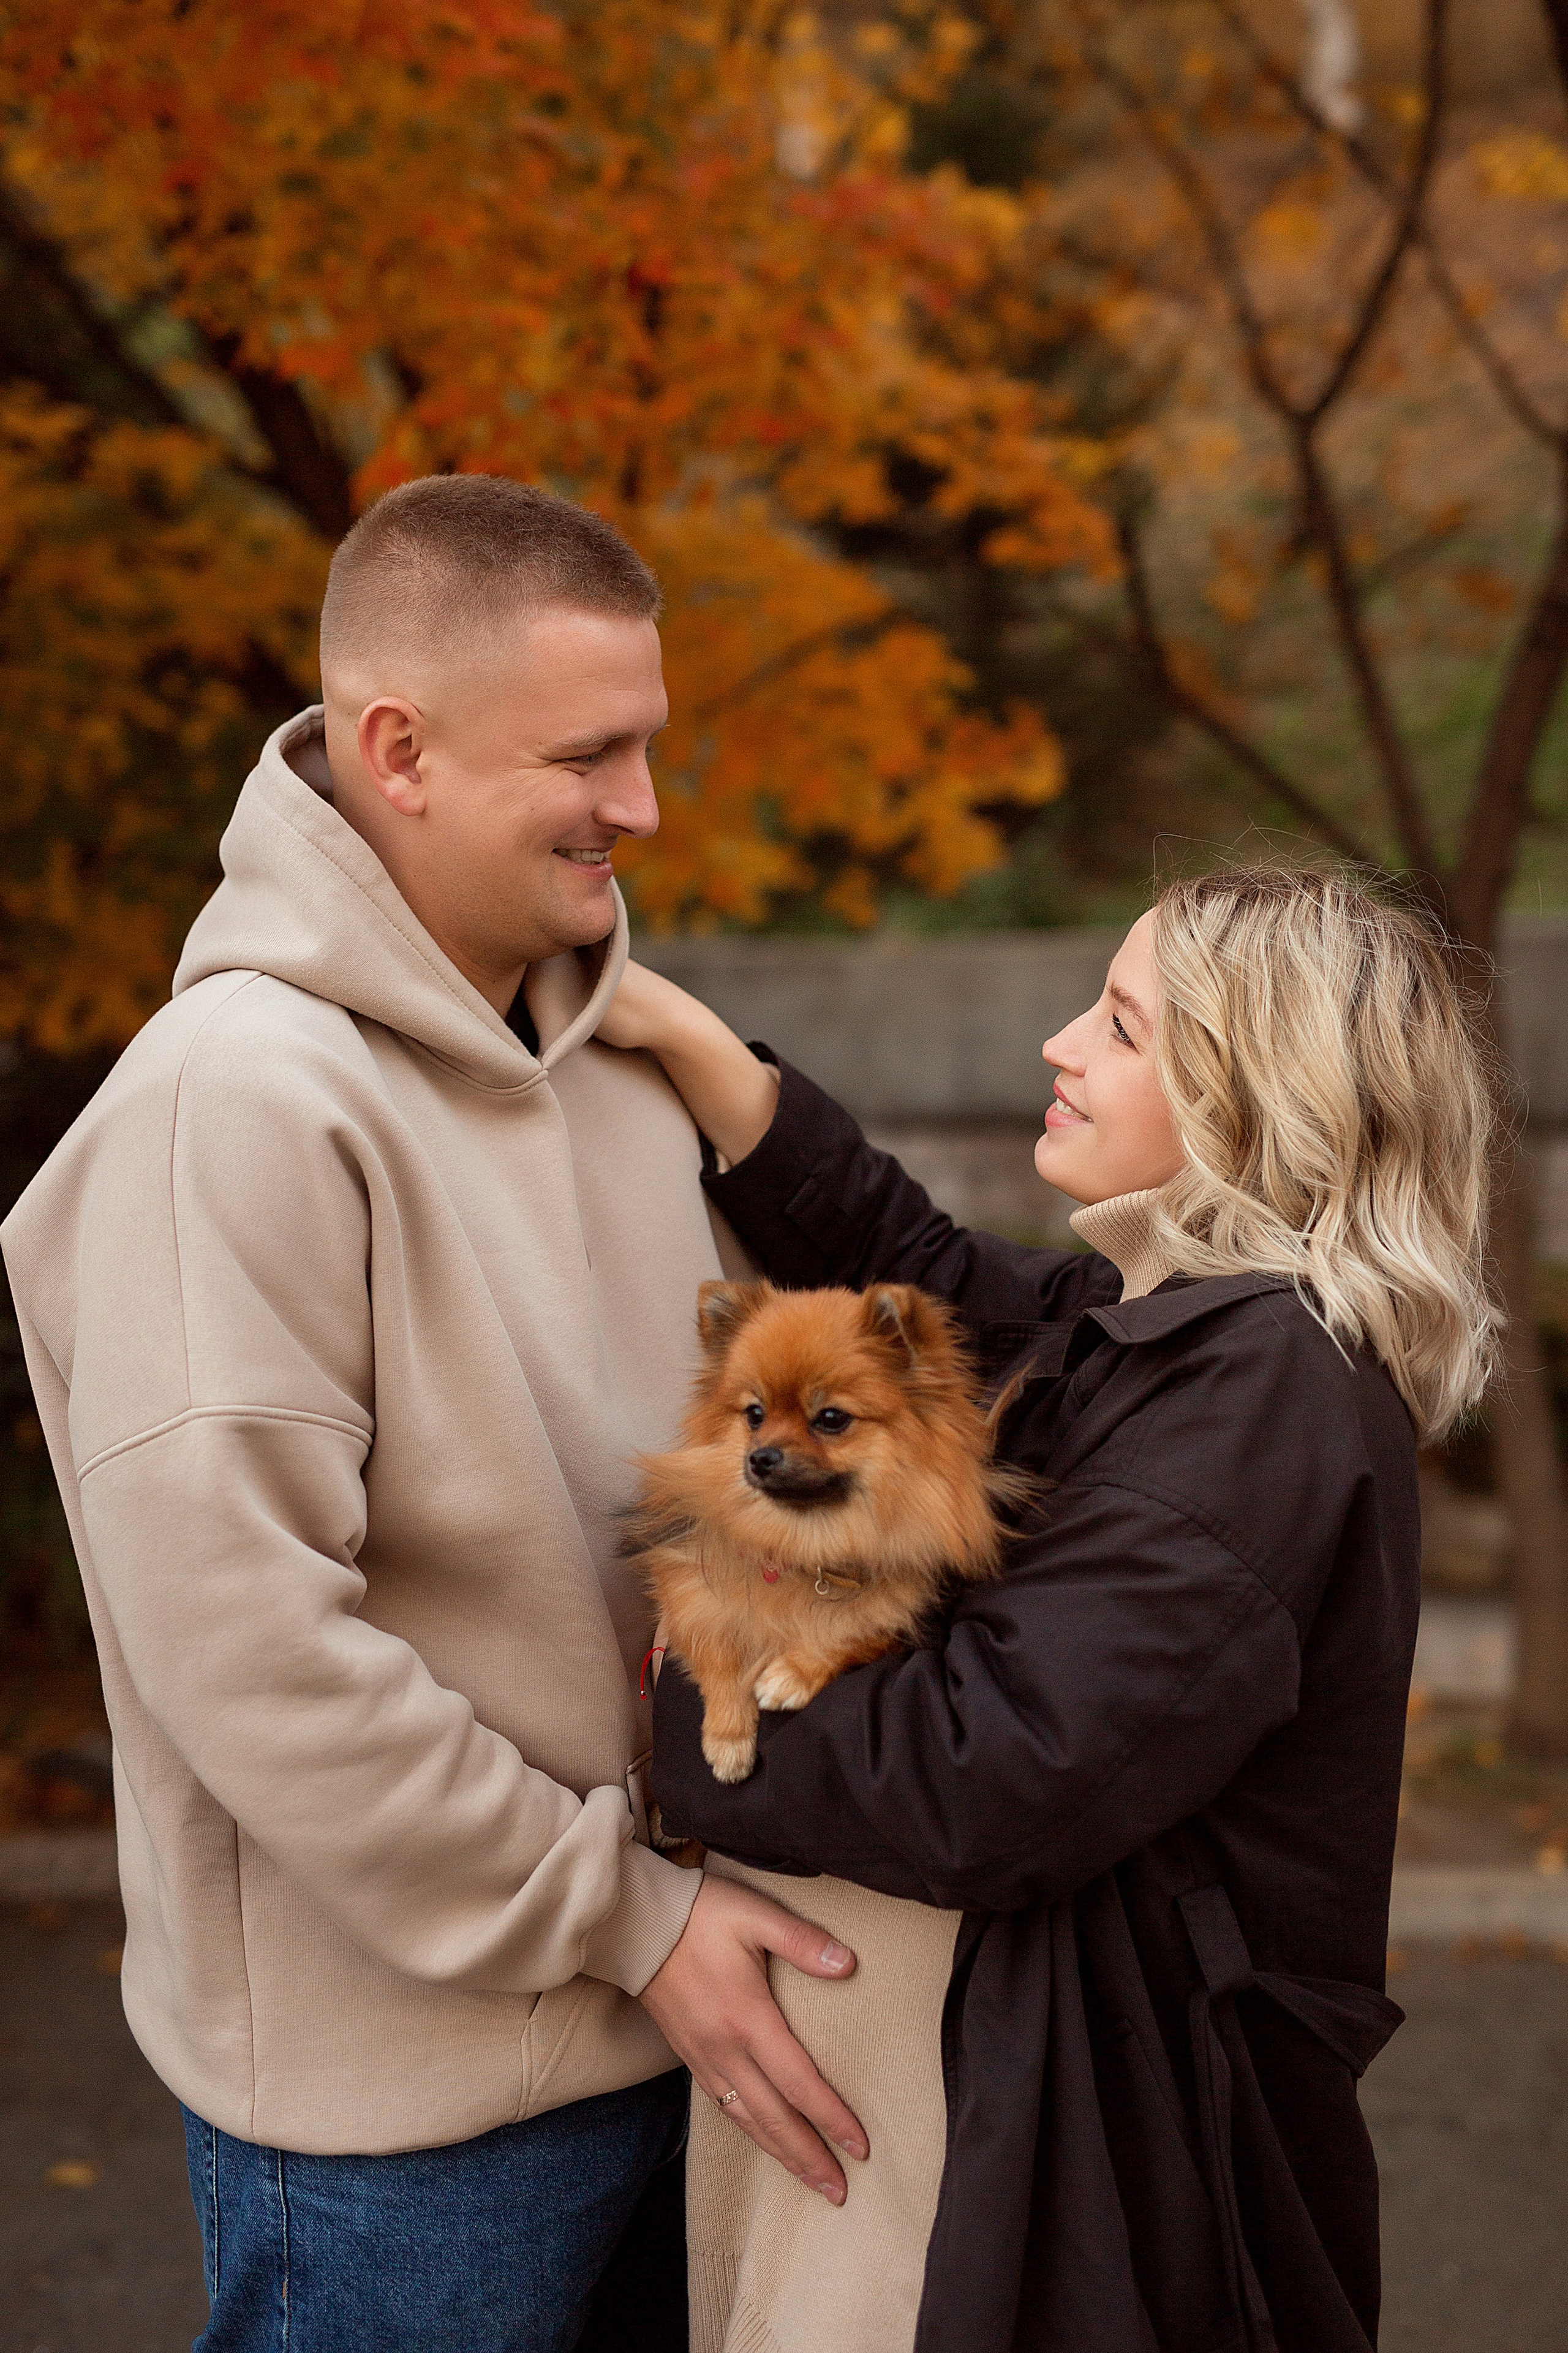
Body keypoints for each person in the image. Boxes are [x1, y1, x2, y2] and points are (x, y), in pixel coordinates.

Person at [1, 474, 869, 2353]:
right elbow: (252, 1653)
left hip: (685, 2025)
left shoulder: (632, 1066)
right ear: (398, 747)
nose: (643, 805)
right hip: (409, 2134)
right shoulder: (231, 1105)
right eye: (591, 753)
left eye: (649, 743)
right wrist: (629, 1918)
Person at [595, 866, 1500, 2353]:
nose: (1058, 1044)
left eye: (1122, 1024)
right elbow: (928, 1284)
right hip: (1014, 2123)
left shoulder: (1261, 1391)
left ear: (1252, 1098)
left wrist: (681, 1694)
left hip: (1089, 2170)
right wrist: (693, 1049)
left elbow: (993, 1770)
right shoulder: (1172, 1332)